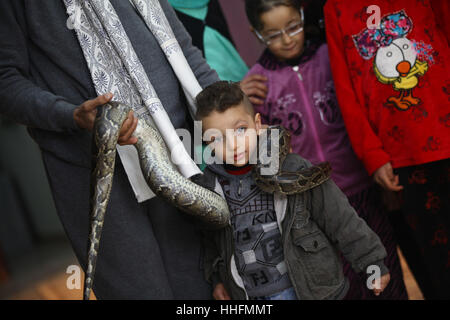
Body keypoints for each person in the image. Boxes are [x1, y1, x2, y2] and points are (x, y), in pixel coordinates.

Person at [0, 0, 219, 299]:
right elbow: (5, 81)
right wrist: (72, 115)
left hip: (179, 152)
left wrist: (231, 113)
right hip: (93, 173)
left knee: (203, 286)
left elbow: (182, 47)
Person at [243, 0, 407, 299]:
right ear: (256, 33)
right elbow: (261, 154)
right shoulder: (258, 83)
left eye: (293, 26)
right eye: (274, 34)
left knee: (382, 275)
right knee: (342, 284)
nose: (288, 38)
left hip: (360, 191)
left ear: (303, 15)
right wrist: (242, 103)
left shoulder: (330, 56)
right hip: (312, 208)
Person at [194, 81, 390, 300]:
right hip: (250, 295)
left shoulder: (294, 168)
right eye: (216, 138)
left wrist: (373, 262)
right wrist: (218, 279)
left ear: (258, 125)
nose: (233, 145)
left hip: (310, 290)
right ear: (205, 144)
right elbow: (212, 241)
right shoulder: (209, 188)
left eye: (240, 130)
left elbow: (340, 219)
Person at [324, 0, 450, 299]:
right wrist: (372, 154)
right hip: (403, 158)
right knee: (437, 259)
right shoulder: (335, 8)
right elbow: (345, 90)